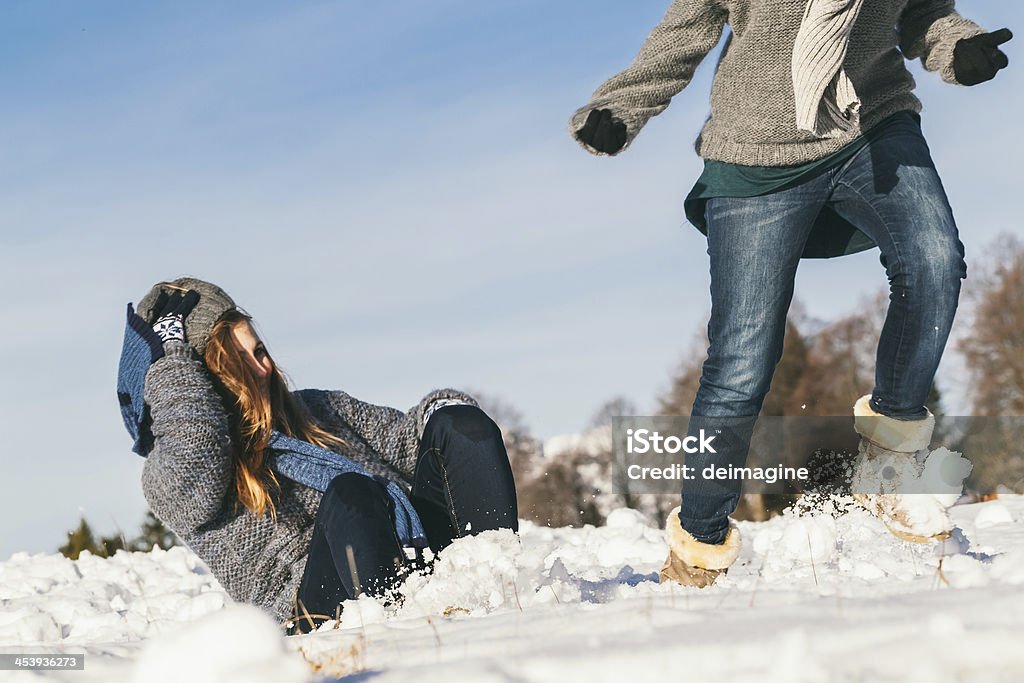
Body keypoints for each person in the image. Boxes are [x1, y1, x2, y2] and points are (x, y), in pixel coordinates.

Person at [569, 1, 1011, 585]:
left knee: (935, 261)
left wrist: (957, 46)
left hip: (871, 122)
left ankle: (892, 456)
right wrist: (619, 107)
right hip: (756, 151)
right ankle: (698, 548)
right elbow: (685, 31)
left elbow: (924, 14)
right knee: (742, 361)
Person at [116, 277, 518, 632]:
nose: (267, 367)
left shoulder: (315, 410)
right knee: (352, 494)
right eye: (244, 360)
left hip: (413, 551)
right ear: (207, 376)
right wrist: (172, 353)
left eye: (261, 350)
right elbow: (195, 439)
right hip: (318, 617)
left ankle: (500, 593)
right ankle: (400, 641)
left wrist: (448, 410)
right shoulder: (172, 476)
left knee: (459, 424)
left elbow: (409, 437)